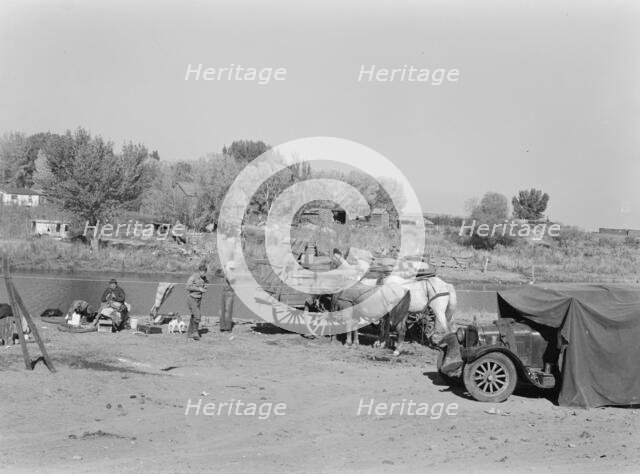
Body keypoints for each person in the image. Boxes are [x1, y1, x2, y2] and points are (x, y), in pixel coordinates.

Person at [185, 263, 208, 340]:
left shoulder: (204, 278)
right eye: (203, 272)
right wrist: (199, 289)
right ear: (200, 271)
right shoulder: (194, 277)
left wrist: (205, 287)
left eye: (205, 272)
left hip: (198, 299)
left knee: (193, 316)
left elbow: (206, 284)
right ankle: (195, 333)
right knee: (197, 315)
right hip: (191, 298)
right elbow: (187, 287)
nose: (204, 274)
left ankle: (189, 333)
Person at [220, 261, 237, 332]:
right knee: (222, 310)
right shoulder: (225, 273)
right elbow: (216, 274)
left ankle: (228, 327)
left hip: (230, 294)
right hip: (223, 292)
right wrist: (220, 269)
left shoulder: (233, 274)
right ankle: (222, 327)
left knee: (228, 311)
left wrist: (225, 271)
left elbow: (229, 279)